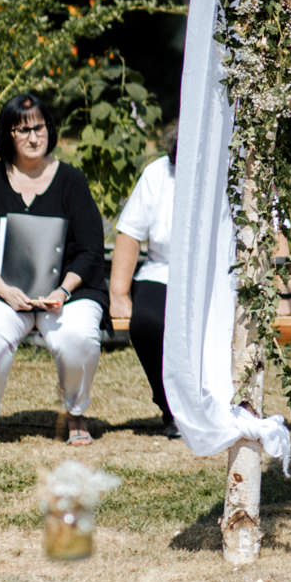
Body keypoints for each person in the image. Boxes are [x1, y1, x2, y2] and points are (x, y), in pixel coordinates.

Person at [0, 91, 108, 447]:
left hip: (67, 294)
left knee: (78, 338)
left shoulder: (72, 180)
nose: (33, 137)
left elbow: (90, 250)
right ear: (7, 134)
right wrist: (3, 289)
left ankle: (75, 413)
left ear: (49, 130)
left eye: (38, 128)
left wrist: (63, 291)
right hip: (3, 292)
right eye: (22, 130)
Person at [110, 120, 179, 437]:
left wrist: (285, 292)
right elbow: (130, 234)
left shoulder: (239, 170)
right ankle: (170, 407)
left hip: (222, 275)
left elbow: (273, 232)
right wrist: (119, 294)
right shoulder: (157, 173)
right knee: (147, 322)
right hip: (163, 270)